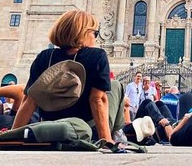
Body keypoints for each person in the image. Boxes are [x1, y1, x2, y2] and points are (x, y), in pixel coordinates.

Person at [12, 10, 118, 143]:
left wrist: (12, 136)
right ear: (83, 33)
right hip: (83, 130)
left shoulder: (44, 57)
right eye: (95, 33)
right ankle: (118, 133)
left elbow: (29, 100)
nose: (96, 38)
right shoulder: (98, 56)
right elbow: (98, 100)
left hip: (51, 127)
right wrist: (106, 140)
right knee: (115, 85)